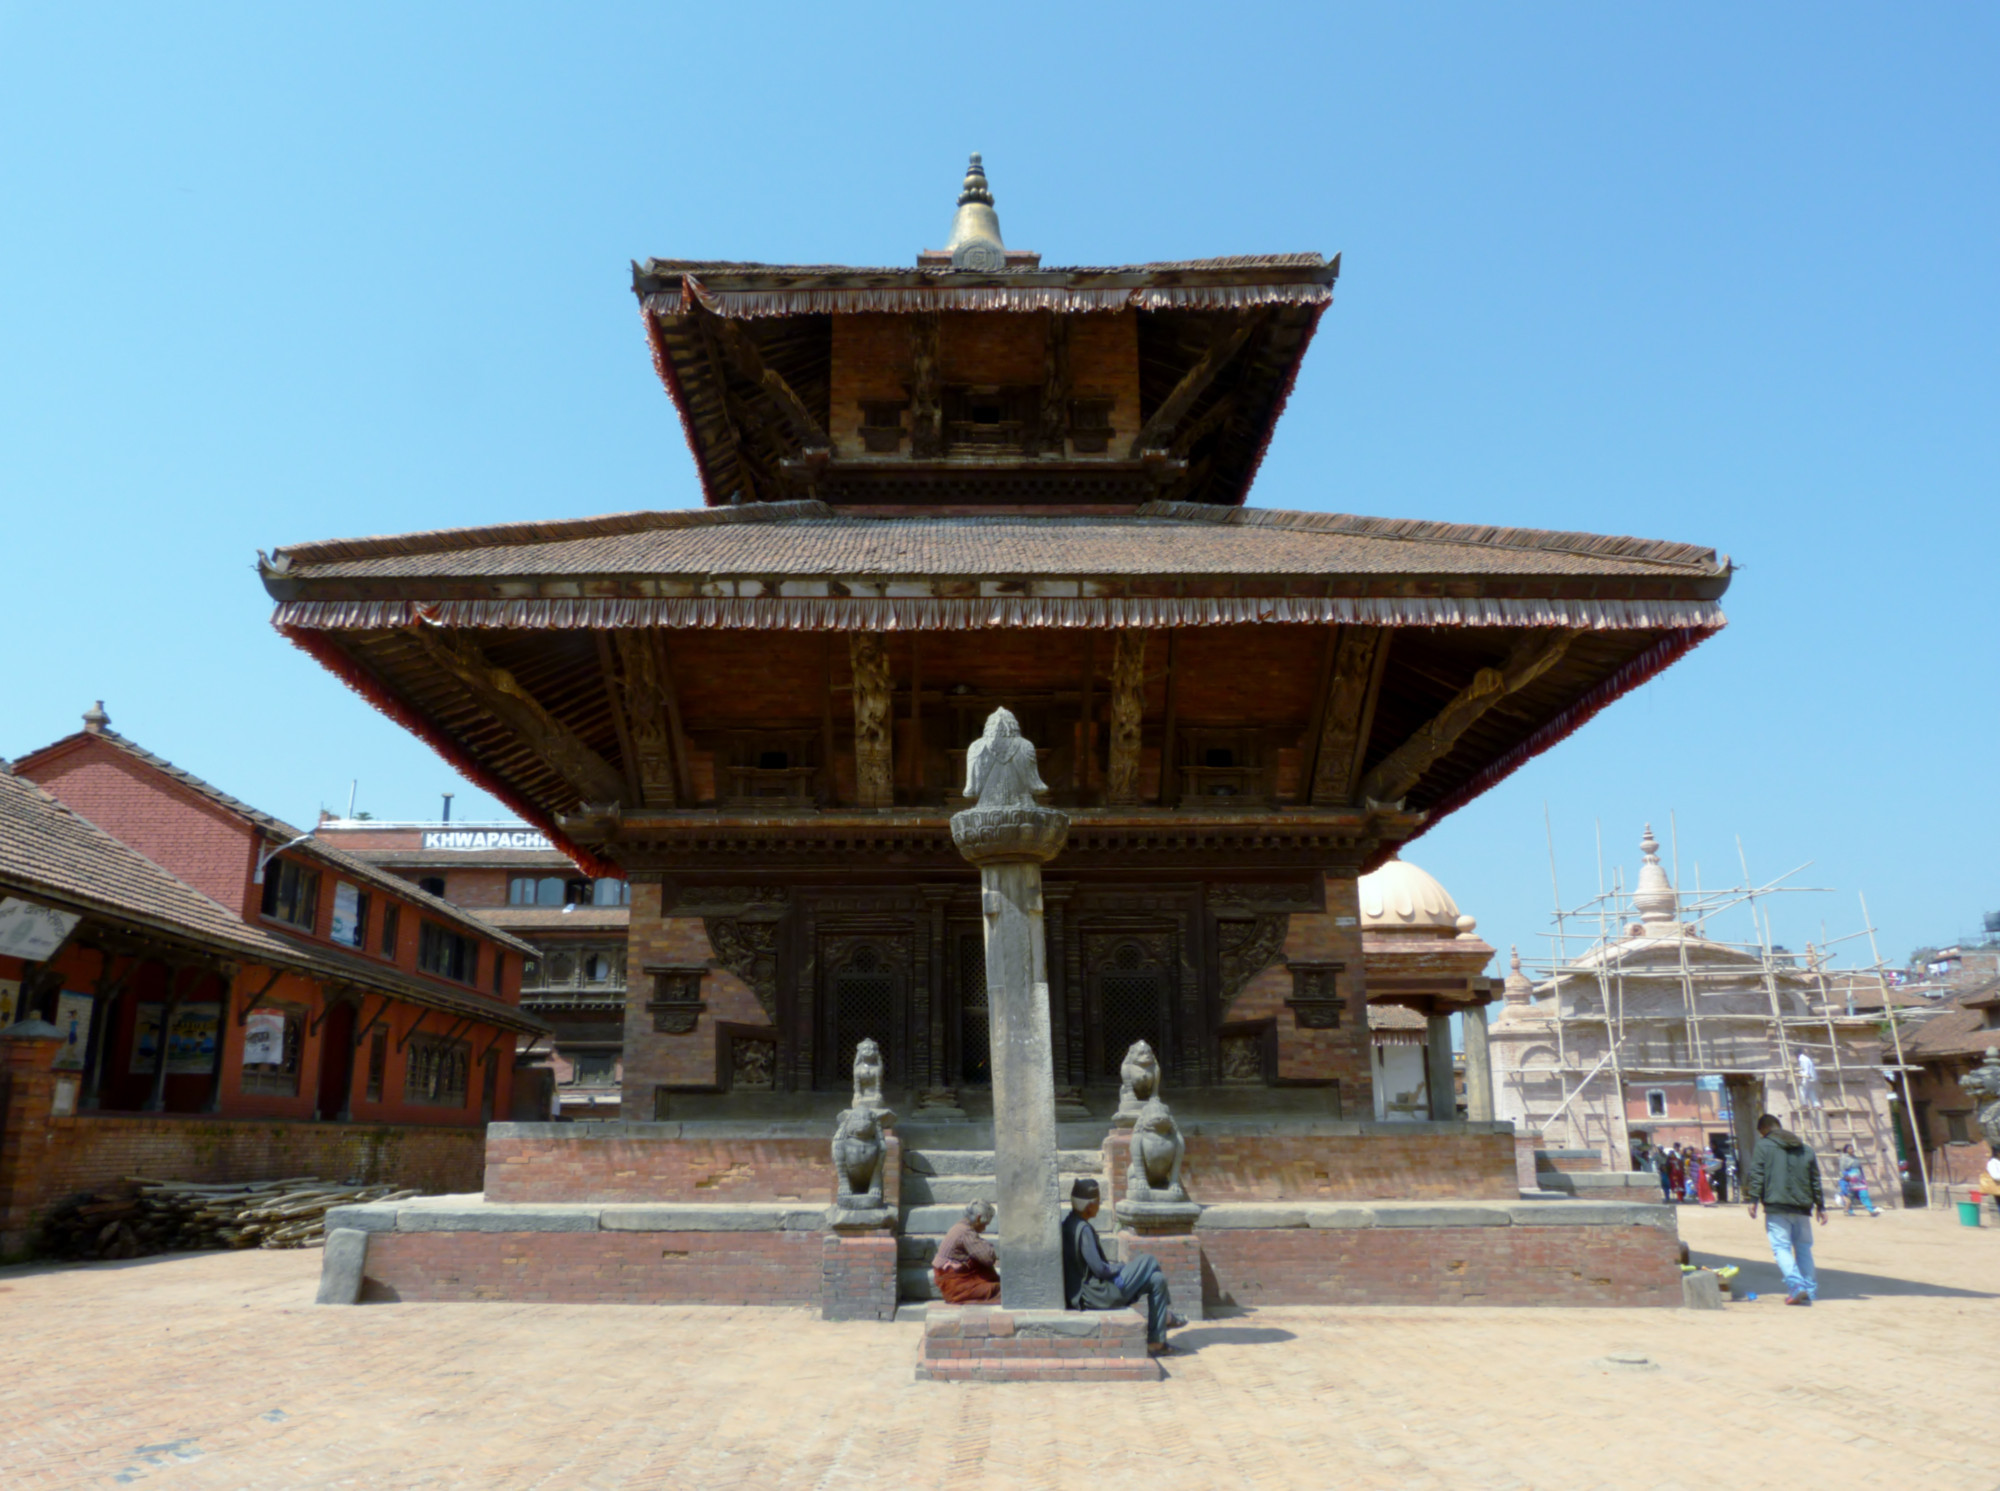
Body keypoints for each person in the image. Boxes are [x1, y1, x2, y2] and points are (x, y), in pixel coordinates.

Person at [1060, 1178, 1186, 1354]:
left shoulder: (1069, 1223)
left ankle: (1156, 1343)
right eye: (1098, 1202)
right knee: (1149, 1260)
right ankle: (1166, 1316)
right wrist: (1119, 1267)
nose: (1099, 1205)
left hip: (1094, 1292)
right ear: (1089, 1206)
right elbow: (1100, 1270)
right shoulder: (1083, 1230)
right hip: (1098, 1294)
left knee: (1158, 1280)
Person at [1744, 1113, 1827, 1305]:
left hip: (1777, 1206)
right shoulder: (1806, 1149)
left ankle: (1796, 1286)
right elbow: (1815, 1179)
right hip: (1802, 1207)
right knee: (1804, 1248)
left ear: (1763, 1130)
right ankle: (1811, 1289)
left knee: (1781, 1247)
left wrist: (1753, 1200)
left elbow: (1757, 1173)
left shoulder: (1763, 1146)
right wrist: (1820, 1206)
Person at [931, 1200, 1001, 1303]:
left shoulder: (960, 1226)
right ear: (978, 1218)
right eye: (985, 1224)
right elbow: (988, 1258)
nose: (985, 1228)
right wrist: (986, 1244)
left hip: (952, 1278)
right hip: (954, 1284)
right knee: (998, 1289)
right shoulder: (966, 1233)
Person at [1836, 1145, 1881, 1217]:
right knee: (1850, 1196)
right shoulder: (1843, 1159)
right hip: (1849, 1180)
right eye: (1850, 1149)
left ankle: (1871, 1210)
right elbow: (1842, 1171)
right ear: (1846, 1150)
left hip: (1859, 1180)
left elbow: (1860, 1169)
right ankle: (1849, 1211)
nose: (1852, 1150)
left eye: (1852, 1148)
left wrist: (1863, 1178)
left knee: (1864, 1194)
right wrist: (1846, 1178)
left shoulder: (1855, 1158)